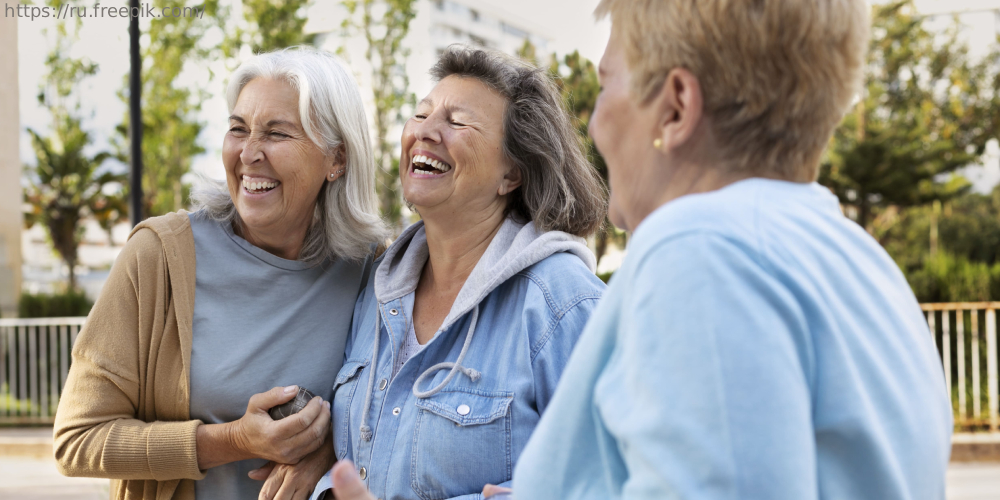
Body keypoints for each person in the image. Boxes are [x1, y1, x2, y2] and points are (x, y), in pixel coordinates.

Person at [510, 1, 956, 499]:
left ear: (675, 107)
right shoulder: (860, 259)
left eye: (605, 84)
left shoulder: (702, 251)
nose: (592, 124)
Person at [53, 47, 387, 500]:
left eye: (277, 133)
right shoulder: (159, 256)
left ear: (337, 160)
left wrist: (327, 449)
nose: (249, 153)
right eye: (238, 129)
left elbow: (392, 413)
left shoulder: (371, 269)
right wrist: (231, 441)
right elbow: (77, 440)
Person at [310, 45, 608, 500]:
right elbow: (356, 460)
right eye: (421, 114)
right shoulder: (377, 289)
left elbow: (612, 474)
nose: (424, 132)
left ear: (512, 173)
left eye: (456, 122)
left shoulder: (563, 302)